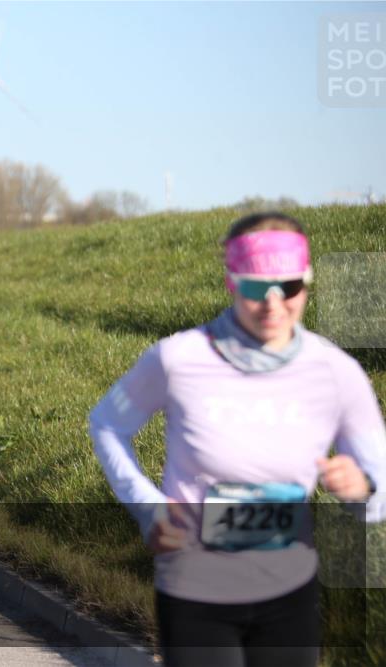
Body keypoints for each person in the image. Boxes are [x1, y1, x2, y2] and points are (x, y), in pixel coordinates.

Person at [89, 212, 385, 667]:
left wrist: (361, 487)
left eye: (287, 287)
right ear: (231, 283)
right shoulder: (178, 358)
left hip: (290, 589)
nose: (272, 304)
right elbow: (108, 424)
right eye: (254, 287)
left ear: (306, 283)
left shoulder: (337, 373)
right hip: (194, 586)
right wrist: (148, 507)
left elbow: (378, 485)